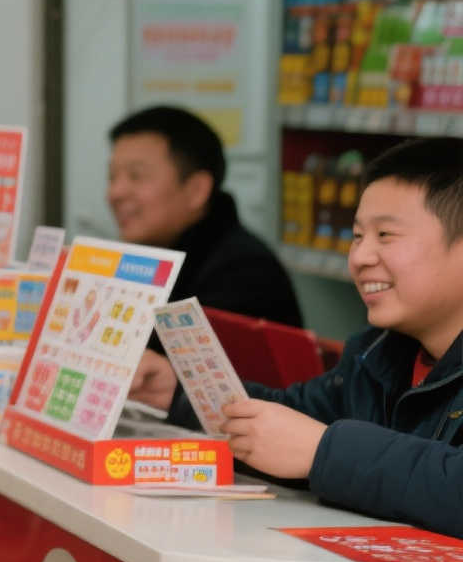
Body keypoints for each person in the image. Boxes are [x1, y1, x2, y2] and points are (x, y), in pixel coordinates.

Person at [130, 138, 463, 537]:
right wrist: (176, 391)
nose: (360, 257)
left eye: (386, 234)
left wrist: (322, 451)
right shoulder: (376, 353)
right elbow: (295, 417)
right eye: (358, 236)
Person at [109, 105, 303, 329]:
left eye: (136, 176)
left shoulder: (243, 273)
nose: (115, 193)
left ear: (197, 191)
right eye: (112, 177)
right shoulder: (146, 256)